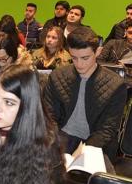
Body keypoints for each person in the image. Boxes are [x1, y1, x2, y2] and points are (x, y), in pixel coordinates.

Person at [44, 27, 127, 161]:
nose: (79, 64)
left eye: (85, 58)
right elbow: (49, 117)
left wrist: (85, 150)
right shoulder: (57, 76)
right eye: (74, 58)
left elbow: (107, 129)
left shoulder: (116, 85)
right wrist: (55, 143)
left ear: (98, 52)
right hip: (59, 138)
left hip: (95, 144)